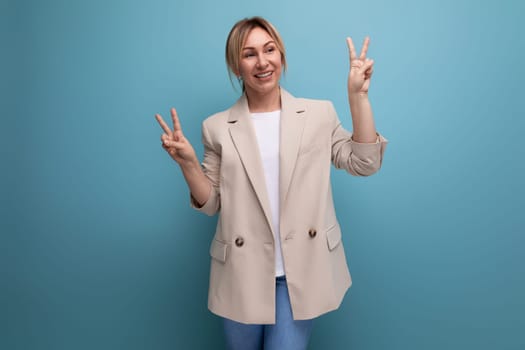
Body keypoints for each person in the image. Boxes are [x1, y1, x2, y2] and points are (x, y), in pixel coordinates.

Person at [155, 16, 387, 350]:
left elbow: (364, 163)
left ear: (281, 55)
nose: (262, 62)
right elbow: (211, 203)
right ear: (237, 66)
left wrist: (358, 97)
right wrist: (188, 164)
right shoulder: (217, 127)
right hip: (241, 271)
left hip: (299, 272)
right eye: (249, 54)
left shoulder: (318, 114)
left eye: (269, 49)